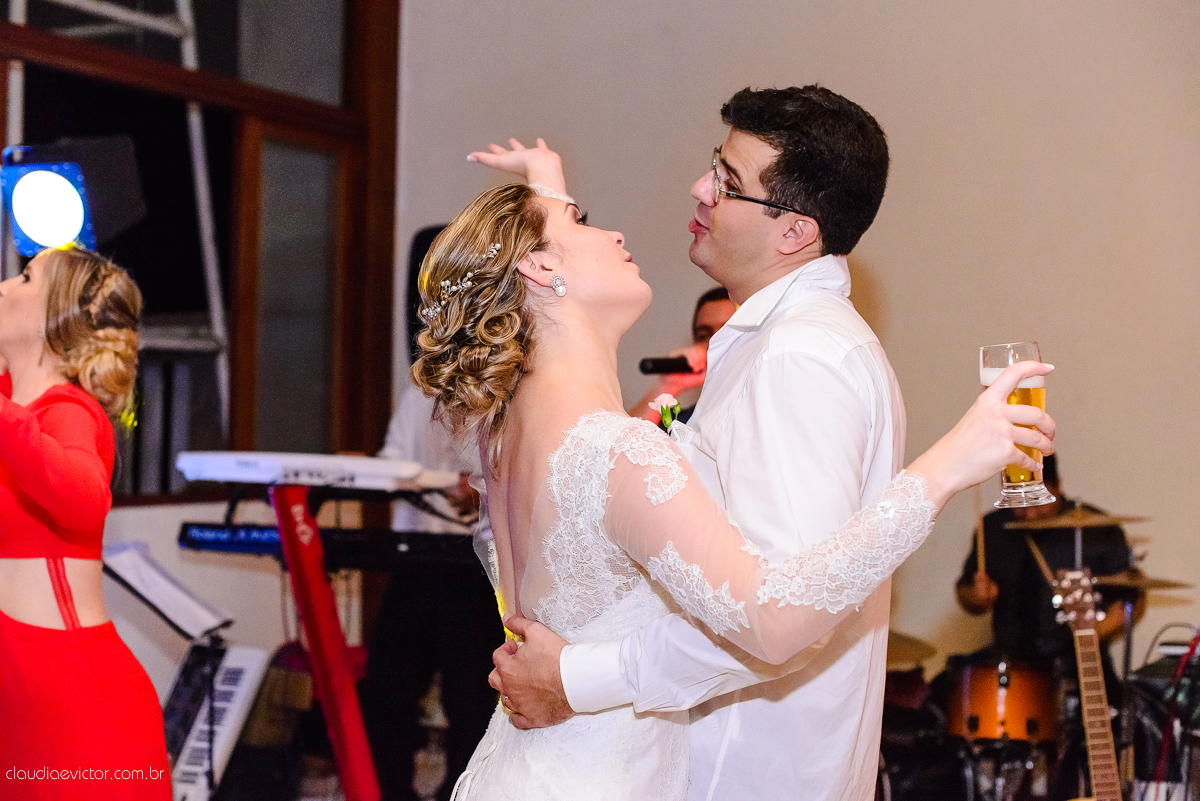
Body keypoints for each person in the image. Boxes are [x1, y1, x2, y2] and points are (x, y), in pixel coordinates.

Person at [410, 139, 1054, 797]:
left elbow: (539, 287)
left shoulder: (503, 437)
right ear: (542, 269)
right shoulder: (618, 453)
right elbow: (774, 621)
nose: (614, 231)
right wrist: (947, 466)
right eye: (581, 224)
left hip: (518, 767)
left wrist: (547, 188)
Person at [484, 87, 925, 800]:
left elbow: (782, 616)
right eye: (711, 166)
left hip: (746, 771)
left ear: (793, 231)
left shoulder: (798, 357)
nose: (700, 188)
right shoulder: (760, 345)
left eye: (728, 182)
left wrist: (576, 679)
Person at [0, 247, 170, 799]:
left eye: (25, 277)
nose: (4, 284)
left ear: (60, 318)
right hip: (19, 701)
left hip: (73, 705)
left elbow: (82, 497)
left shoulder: (66, 411)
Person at [954, 454, 1140, 799]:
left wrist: (1096, 630)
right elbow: (966, 593)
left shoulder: (1097, 529)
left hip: (1083, 670)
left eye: (1035, 501)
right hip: (1017, 670)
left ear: (1056, 486)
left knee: (1102, 748)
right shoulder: (994, 529)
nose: (1026, 512)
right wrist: (977, 596)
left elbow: (1131, 599)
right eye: (1017, 502)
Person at [361, 381, 504, 801]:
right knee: (387, 691)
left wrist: (478, 491)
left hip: (474, 564)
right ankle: (389, 792)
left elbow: (517, 471)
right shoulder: (418, 390)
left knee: (471, 700)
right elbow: (394, 461)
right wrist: (370, 470)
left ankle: (458, 794)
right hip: (414, 559)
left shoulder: (503, 386)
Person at [629, 286, 736, 425]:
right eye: (704, 335)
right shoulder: (681, 425)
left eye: (727, 332)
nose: (714, 343)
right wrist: (668, 385)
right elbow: (619, 443)